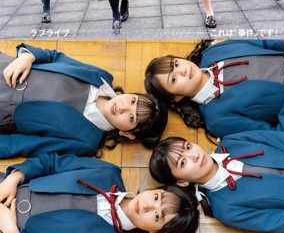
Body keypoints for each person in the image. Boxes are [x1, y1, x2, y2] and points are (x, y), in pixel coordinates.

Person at [0, 152, 199, 233]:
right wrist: (14, 177)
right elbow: (51, 162)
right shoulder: (108, 172)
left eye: (157, 215)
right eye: (157, 197)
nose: (147, 204)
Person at [0, 43, 168, 158]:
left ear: (128, 134)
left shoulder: (87, 141)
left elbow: (27, 144)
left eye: (132, 118)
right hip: (6, 66)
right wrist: (27, 57)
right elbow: (54, 57)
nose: (123, 108)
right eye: (132, 101)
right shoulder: (100, 76)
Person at [149, 130, 284, 233]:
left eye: (188, 147)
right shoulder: (225, 209)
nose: (194, 155)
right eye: (182, 162)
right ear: (181, 182)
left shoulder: (232, 140)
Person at [144, 39, 284, 138]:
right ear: (175, 98)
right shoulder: (217, 119)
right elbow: (277, 135)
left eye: (175, 64)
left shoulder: (213, 51)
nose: (182, 70)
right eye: (174, 78)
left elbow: (265, 41)